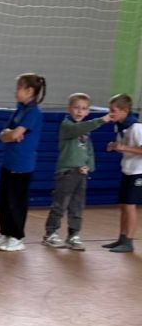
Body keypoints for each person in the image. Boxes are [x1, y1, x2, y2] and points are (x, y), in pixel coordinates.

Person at [43, 94, 112, 251]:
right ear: (69, 109)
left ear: (87, 111)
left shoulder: (86, 132)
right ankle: (50, 233)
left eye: (84, 109)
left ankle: (73, 234)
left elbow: (89, 150)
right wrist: (102, 120)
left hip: (81, 174)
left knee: (77, 205)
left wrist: (88, 166)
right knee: (60, 204)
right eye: (76, 108)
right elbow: (78, 129)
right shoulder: (67, 126)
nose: (80, 111)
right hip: (66, 173)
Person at [0, 73, 46, 252]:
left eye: (19, 88)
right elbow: (4, 134)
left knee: (16, 202)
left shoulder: (34, 112)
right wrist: (9, 134)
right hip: (9, 162)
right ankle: (5, 233)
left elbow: (13, 134)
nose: (15, 91)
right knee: (4, 201)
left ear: (30, 91)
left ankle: (17, 236)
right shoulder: (19, 110)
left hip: (22, 164)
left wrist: (11, 134)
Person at [104, 93, 142, 253]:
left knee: (130, 206)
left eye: (114, 110)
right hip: (127, 170)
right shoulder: (119, 126)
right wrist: (115, 146)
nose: (111, 113)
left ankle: (129, 241)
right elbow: (125, 147)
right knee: (123, 205)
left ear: (125, 110)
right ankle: (122, 237)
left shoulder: (136, 127)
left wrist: (124, 147)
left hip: (138, 172)